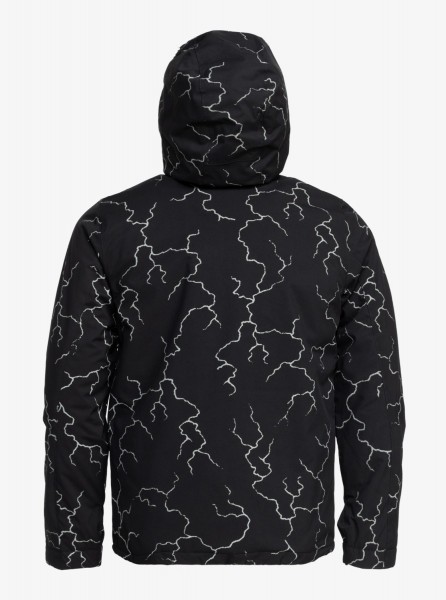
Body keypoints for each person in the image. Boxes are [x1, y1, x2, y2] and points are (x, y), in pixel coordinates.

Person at [43, 29, 406, 569]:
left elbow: (73, 401)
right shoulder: (335, 227)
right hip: (291, 536)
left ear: (171, 109)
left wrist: (73, 546)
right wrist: (370, 545)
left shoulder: (112, 226)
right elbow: (374, 401)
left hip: (154, 537)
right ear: (277, 109)